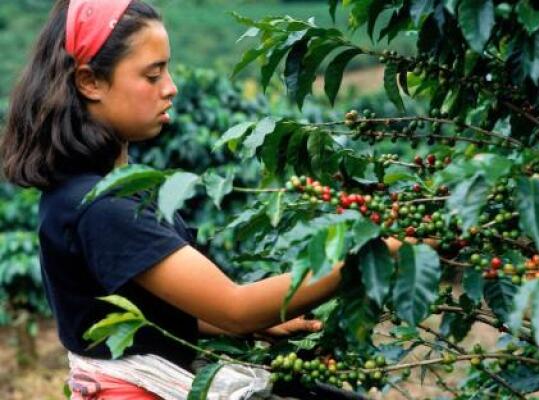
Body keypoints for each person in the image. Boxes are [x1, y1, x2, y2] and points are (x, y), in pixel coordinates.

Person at [0, 1, 350, 398]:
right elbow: (235, 307)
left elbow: (143, 312)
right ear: (90, 82)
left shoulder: (82, 189)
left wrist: (258, 321)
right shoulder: (100, 207)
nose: (171, 86)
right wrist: (374, 250)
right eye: (152, 74)